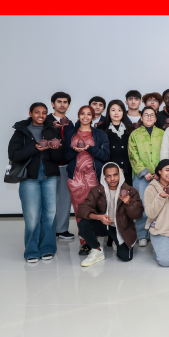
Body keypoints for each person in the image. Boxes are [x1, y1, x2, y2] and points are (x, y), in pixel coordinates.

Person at [8, 102, 64, 262]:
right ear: (30, 113)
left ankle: (48, 248)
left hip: (49, 177)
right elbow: (14, 155)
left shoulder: (52, 130)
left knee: (50, 214)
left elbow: (58, 157)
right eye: (37, 112)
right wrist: (35, 148)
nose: (41, 115)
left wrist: (55, 148)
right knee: (32, 215)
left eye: (44, 112)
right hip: (29, 178)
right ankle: (31, 250)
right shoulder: (21, 131)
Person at [76, 163, 143, 266]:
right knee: (83, 224)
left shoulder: (130, 191)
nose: (112, 179)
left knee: (125, 258)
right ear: (104, 177)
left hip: (122, 228)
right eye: (108, 176)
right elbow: (82, 209)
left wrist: (129, 203)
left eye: (115, 175)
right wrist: (99, 217)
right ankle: (97, 250)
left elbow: (137, 214)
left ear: (120, 175)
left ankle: (115, 240)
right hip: (104, 224)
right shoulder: (97, 190)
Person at [64, 106, 110, 256]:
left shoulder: (100, 134)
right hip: (75, 179)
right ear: (78, 115)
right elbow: (64, 156)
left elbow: (105, 156)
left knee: (93, 210)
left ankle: (93, 241)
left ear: (93, 116)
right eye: (82, 114)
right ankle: (84, 243)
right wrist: (74, 151)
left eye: (88, 114)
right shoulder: (70, 133)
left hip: (93, 178)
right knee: (79, 211)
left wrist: (89, 148)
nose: (85, 116)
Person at [128, 105, 164, 248]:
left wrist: (159, 172)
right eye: (146, 115)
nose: (149, 117)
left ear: (155, 118)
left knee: (159, 204)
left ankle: (157, 232)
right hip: (142, 177)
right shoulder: (135, 134)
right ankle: (142, 234)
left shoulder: (162, 133)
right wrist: (144, 172)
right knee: (142, 205)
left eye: (152, 115)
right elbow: (133, 155)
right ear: (141, 118)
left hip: (160, 176)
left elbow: (165, 153)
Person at [45, 92, 75, 241]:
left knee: (64, 199)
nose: (62, 104)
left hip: (65, 166)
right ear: (53, 104)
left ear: (68, 105)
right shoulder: (45, 121)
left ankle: (61, 229)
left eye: (65, 102)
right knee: (48, 199)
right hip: (49, 166)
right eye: (59, 101)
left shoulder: (70, 124)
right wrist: (52, 127)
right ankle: (47, 229)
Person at [99, 100, 134, 186]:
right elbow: (101, 153)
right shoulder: (101, 129)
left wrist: (124, 168)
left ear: (123, 112)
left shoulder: (131, 130)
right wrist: (115, 169)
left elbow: (133, 152)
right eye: (113, 110)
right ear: (108, 112)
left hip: (127, 171)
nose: (116, 113)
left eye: (119, 110)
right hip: (109, 173)